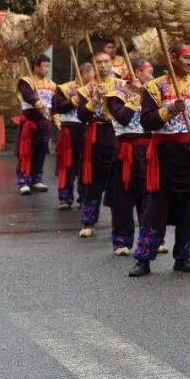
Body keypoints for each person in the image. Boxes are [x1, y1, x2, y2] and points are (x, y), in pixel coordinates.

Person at [130, 43, 190, 278]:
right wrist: (169, 110)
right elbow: (147, 122)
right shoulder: (154, 87)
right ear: (172, 58)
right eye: (185, 58)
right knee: (155, 208)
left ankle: (184, 256)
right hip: (164, 155)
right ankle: (144, 257)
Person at [106, 59, 154, 255]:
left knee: (149, 197)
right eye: (149, 72)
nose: (152, 76)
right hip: (125, 150)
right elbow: (123, 118)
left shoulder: (152, 93)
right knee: (123, 198)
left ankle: (150, 239)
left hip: (148, 150)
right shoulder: (115, 94)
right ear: (137, 72)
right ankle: (122, 241)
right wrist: (135, 97)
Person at [78, 51, 118, 239]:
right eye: (98, 62)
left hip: (118, 134)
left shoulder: (123, 85)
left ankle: (120, 225)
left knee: (119, 182)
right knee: (93, 182)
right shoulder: (86, 89)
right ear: (93, 66)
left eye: (106, 62)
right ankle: (88, 221)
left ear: (112, 62)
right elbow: (82, 116)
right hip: (96, 135)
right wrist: (94, 100)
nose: (102, 65)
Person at [51, 62, 94, 209]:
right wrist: (72, 101)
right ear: (83, 73)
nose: (94, 75)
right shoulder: (64, 88)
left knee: (86, 165)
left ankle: (84, 196)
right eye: (91, 72)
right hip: (69, 129)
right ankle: (65, 197)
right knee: (66, 165)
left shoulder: (95, 88)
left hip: (87, 129)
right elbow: (58, 107)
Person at [16, 55, 56, 195]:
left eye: (48, 66)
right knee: (27, 152)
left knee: (41, 151)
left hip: (44, 123)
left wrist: (55, 117)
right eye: (44, 65)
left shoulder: (51, 84)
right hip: (30, 122)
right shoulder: (26, 81)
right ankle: (23, 180)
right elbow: (28, 96)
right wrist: (38, 104)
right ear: (36, 66)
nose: (47, 69)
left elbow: (54, 103)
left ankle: (36, 178)